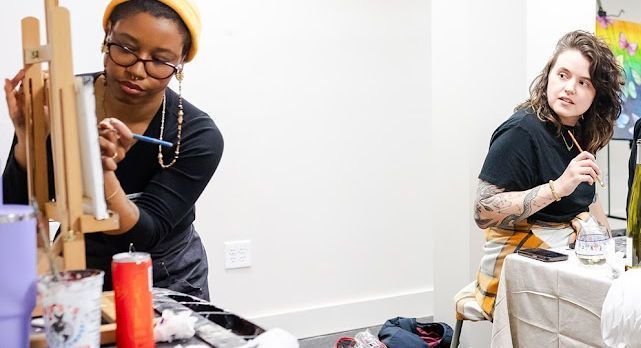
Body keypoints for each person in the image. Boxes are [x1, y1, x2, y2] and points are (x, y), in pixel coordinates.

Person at [2, 0, 223, 300]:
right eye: (127, 49)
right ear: (107, 39)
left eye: (160, 60)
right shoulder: (63, 101)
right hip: (79, 265)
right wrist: (28, 137)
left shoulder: (197, 135)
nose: (137, 70)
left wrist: (101, 174)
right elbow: (16, 202)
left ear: (180, 63)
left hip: (167, 277)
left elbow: (146, 232)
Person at [471, 30, 623, 318]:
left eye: (583, 82)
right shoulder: (521, 131)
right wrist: (558, 187)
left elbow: (588, 200)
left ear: (597, 95)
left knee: (620, 301)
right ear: (548, 76)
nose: (569, 88)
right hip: (516, 266)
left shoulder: (579, 130)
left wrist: (608, 246)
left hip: (565, 257)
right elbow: (482, 211)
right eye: (563, 75)